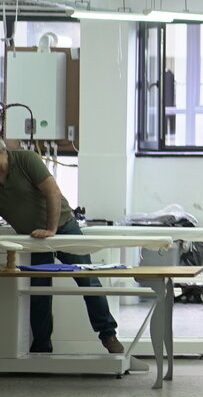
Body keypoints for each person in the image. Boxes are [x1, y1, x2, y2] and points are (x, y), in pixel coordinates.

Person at [0, 147, 122, 354]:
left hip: (64, 227)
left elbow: (53, 191)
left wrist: (51, 229)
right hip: (33, 239)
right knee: (38, 292)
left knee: (87, 280)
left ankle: (108, 334)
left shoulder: (25, 159)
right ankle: (42, 347)